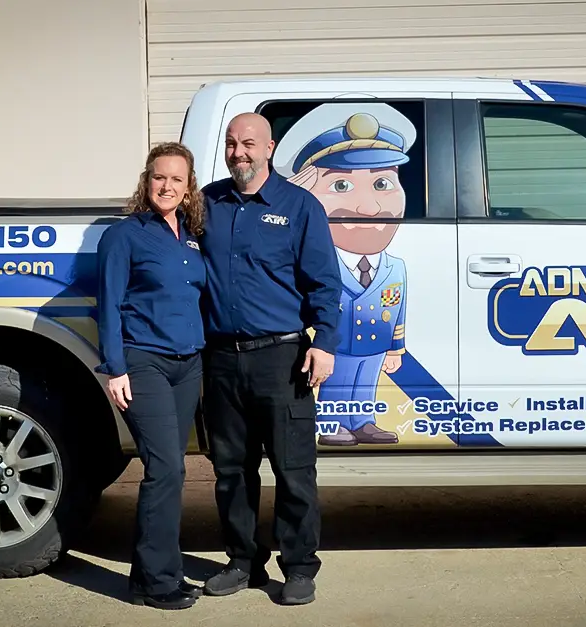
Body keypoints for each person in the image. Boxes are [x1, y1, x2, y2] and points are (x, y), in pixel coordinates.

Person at [198, 112, 342, 605]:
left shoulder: (299, 206)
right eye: (233, 143)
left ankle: (299, 567)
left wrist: (323, 342)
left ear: (271, 147)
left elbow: (324, 282)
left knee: (293, 468)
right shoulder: (206, 204)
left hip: (282, 357)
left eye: (250, 144)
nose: (240, 152)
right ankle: (243, 562)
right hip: (220, 359)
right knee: (230, 471)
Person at [95, 141, 208, 611]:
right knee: (166, 469)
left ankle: (149, 576)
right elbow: (108, 304)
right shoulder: (124, 236)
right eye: (159, 177)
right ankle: (160, 581)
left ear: (188, 188)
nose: (167, 186)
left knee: (170, 470)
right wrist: (115, 368)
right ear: (147, 181)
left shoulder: (192, 236)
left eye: (176, 179)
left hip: (189, 365)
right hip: (145, 362)